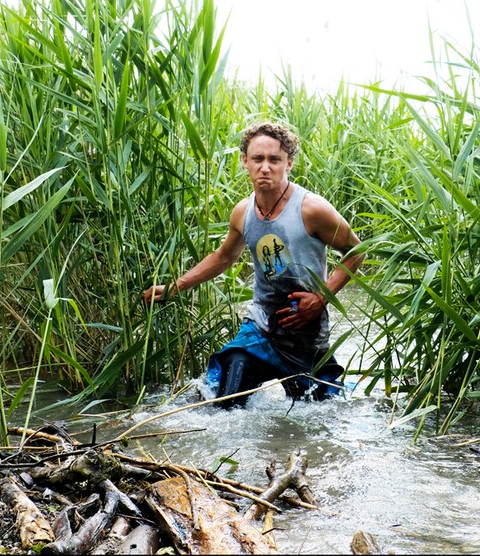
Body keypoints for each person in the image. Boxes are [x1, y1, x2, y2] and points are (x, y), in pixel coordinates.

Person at [142, 122, 365, 408]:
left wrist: (320, 299)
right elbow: (224, 257)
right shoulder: (243, 212)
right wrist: (176, 287)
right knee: (226, 399)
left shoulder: (312, 209)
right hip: (261, 327)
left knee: (317, 414)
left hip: (305, 334)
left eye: (275, 160)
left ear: (289, 164)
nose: (265, 167)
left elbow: (357, 251)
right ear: (244, 161)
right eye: (258, 159)